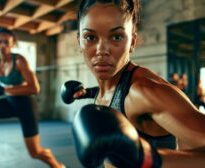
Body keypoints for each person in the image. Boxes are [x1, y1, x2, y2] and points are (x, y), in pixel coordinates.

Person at [68, 0, 205, 167]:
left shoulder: (144, 92)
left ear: (132, 42)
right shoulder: (109, 86)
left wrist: (146, 157)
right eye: (90, 37)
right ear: (79, 41)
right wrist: (87, 92)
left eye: (116, 37)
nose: (101, 50)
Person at [0, 28, 64, 168]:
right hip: (8, 101)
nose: (3, 45)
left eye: (6, 42)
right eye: (0, 42)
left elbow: (35, 88)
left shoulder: (19, 60)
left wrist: (4, 89)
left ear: (13, 44)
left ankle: (58, 166)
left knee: (35, 152)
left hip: (25, 105)